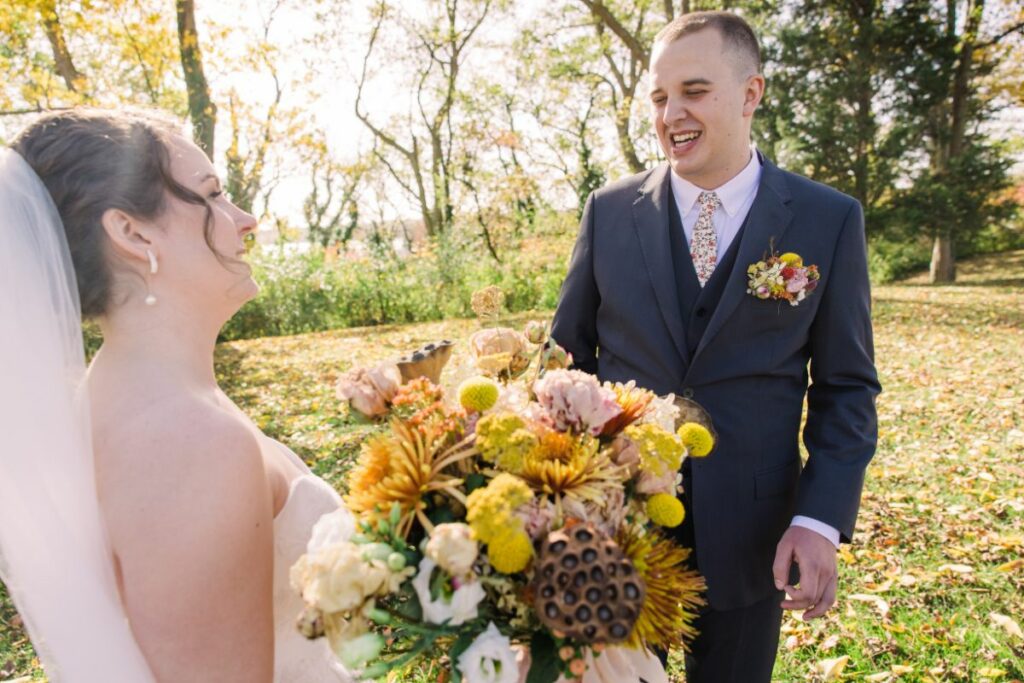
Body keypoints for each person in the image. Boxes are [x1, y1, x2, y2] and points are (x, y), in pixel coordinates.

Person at [551, 11, 881, 682]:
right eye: (660, 96)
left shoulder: (828, 220)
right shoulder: (608, 212)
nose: (672, 113)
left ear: (751, 93)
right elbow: (565, 364)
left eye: (694, 91)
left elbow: (846, 386)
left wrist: (819, 519)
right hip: (615, 533)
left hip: (754, 536)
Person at [0, 109, 353, 682]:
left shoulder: (150, 395)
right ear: (133, 234)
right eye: (212, 194)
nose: (245, 219)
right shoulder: (185, 443)